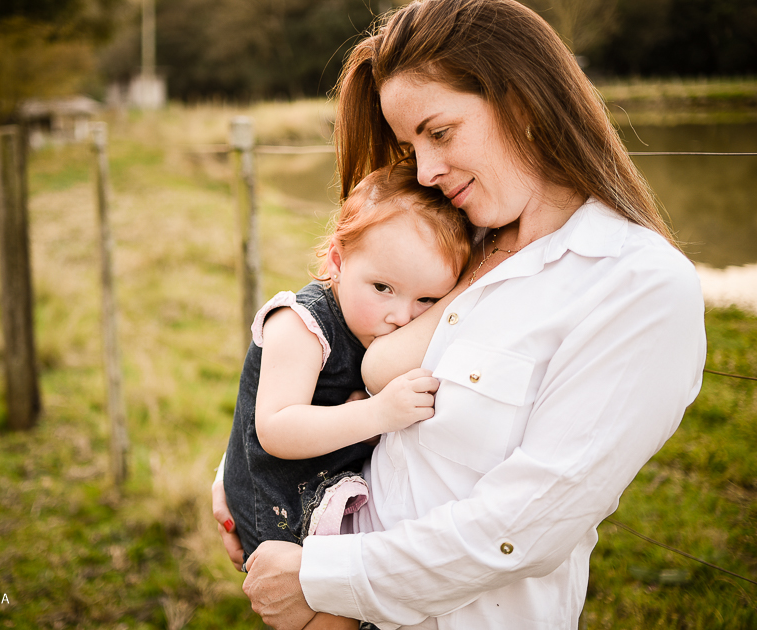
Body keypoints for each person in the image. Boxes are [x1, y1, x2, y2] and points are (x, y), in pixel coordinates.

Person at [212, 0, 707, 628]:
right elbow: (320, 350)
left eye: (440, 133)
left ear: (522, 101)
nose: (425, 170)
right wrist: (246, 476)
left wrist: (319, 578)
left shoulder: (634, 285)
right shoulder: (455, 238)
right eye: (410, 146)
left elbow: (526, 525)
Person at [221, 160, 472, 629]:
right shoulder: (300, 324)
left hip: (322, 496)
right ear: (337, 262)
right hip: (278, 504)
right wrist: (378, 414)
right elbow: (275, 428)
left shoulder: (375, 322)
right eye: (383, 288)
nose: (401, 316)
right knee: (330, 619)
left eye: (426, 300)